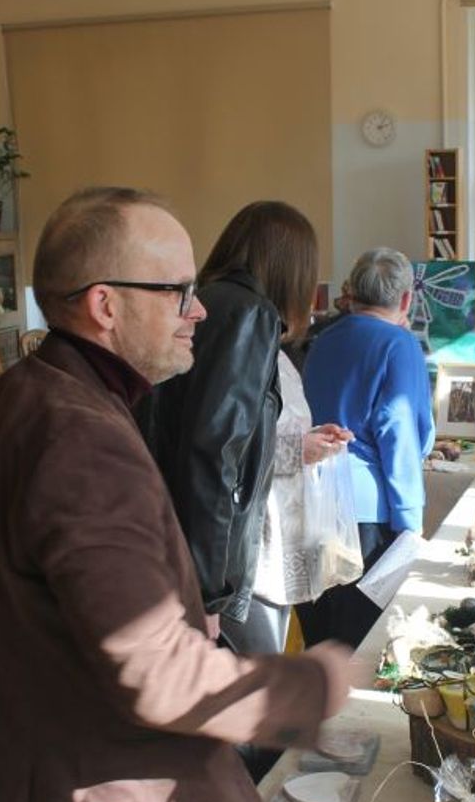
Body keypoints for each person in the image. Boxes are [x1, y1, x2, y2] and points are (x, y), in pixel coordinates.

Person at [0, 187, 351, 802]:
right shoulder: (79, 435)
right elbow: (158, 676)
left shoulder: (28, 391)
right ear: (105, 305)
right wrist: (315, 687)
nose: (198, 311)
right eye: (178, 291)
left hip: (33, 773)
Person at [140, 200, 350, 654]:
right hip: (226, 556)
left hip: (180, 537)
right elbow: (215, 451)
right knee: (256, 681)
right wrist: (210, 590)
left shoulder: (208, 303)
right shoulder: (249, 314)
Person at [299, 248, 434, 649]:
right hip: (366, 516)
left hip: (312, 502)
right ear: (406, 299)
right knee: (360, 645)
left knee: (319, 636)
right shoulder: (399, 344)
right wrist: (411, 520)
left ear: (352, 291)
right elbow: (400, 433)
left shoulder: (322, 339)